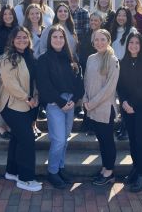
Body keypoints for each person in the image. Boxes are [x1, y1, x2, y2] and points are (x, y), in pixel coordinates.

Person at [37, 25, 84, 189]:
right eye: (55, 37)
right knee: (58, 139)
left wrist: (75, 99)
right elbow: (44, 85)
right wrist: (61, 102)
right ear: (50, 40)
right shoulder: (44, 59)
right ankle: (52, 172)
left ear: (65, 40)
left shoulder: (71, 58)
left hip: (71, 102)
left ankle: (60, 168)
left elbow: (79, 81)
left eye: (61, 37)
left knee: (65, 139)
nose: (58, 40)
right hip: (54, 103)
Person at [0, 26, 42, 192]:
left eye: (25, 37)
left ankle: (12, 171)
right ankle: (25, 178)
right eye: (18, 37)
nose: (22, 40)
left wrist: (36, 96)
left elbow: (34, 81)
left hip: (30, 105)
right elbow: (10, 84)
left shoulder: (31, 56)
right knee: (27, 141)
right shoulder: (6, 58)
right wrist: (28, 98)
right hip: (12, 106)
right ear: (12, 40)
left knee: (17, 139)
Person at [117, 33, 142, 192]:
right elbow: (120, 86)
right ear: (127, 45)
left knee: (140, 139)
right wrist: (124, 102)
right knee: (132, 139)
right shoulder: (121, 63)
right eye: (131, 42)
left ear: (141, 45)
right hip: (127, 108)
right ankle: (135, 167)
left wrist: (131, 103)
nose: (133, 45)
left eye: (137, 43)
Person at [83, 29, 120, 186]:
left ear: (109, 40)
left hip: (105, 109)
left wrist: (92, 103)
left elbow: (109, 88)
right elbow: (86, 80)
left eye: (102, 39)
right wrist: (85, 99)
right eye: (96, 40)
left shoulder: (113, 60)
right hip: (92, 108)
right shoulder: (91, 58)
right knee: (101, 141)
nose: (99, 42)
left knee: (107, 141)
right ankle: (104, 168)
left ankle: (109, 172)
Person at [0, 5, 18, 140]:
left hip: (18, 68)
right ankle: (0, 126)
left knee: (14, 99)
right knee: (4, 100)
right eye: (5, 14)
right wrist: (0, 67)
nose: (8, 16)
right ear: (1, 16)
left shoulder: (18, 30)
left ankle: (10, 125)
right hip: (2, 69)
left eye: (10, 14)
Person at [111, 6, 137, 141]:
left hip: (127, 69)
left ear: (128, 17)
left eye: (124, 15)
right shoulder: (113, 31)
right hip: (114, 68)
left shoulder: (132, 31)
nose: (121, 18)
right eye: (119, 15)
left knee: (125, 99)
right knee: (119, 98)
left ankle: (126, 128)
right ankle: (121, 125)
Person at [78, 12, 103, 135]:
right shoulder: (86, 35)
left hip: (100, 71)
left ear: (100, 22)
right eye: (91, 20)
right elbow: (82, 52)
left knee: (96, 97)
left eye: (96, 20)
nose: (93, 22)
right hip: (87, 69)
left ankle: (94, 125)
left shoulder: (103, 36)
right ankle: (87, 122)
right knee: (87, 96)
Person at [23, 3, 46, 135]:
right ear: (28, 15)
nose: (35, 15)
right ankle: (30, 125)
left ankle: (35, 124)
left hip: (41, 67)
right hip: (29, 66)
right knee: (31, 94)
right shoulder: (24, 29)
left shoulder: (45, 29)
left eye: (37, 13)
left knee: (39, 95)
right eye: (32, 13)